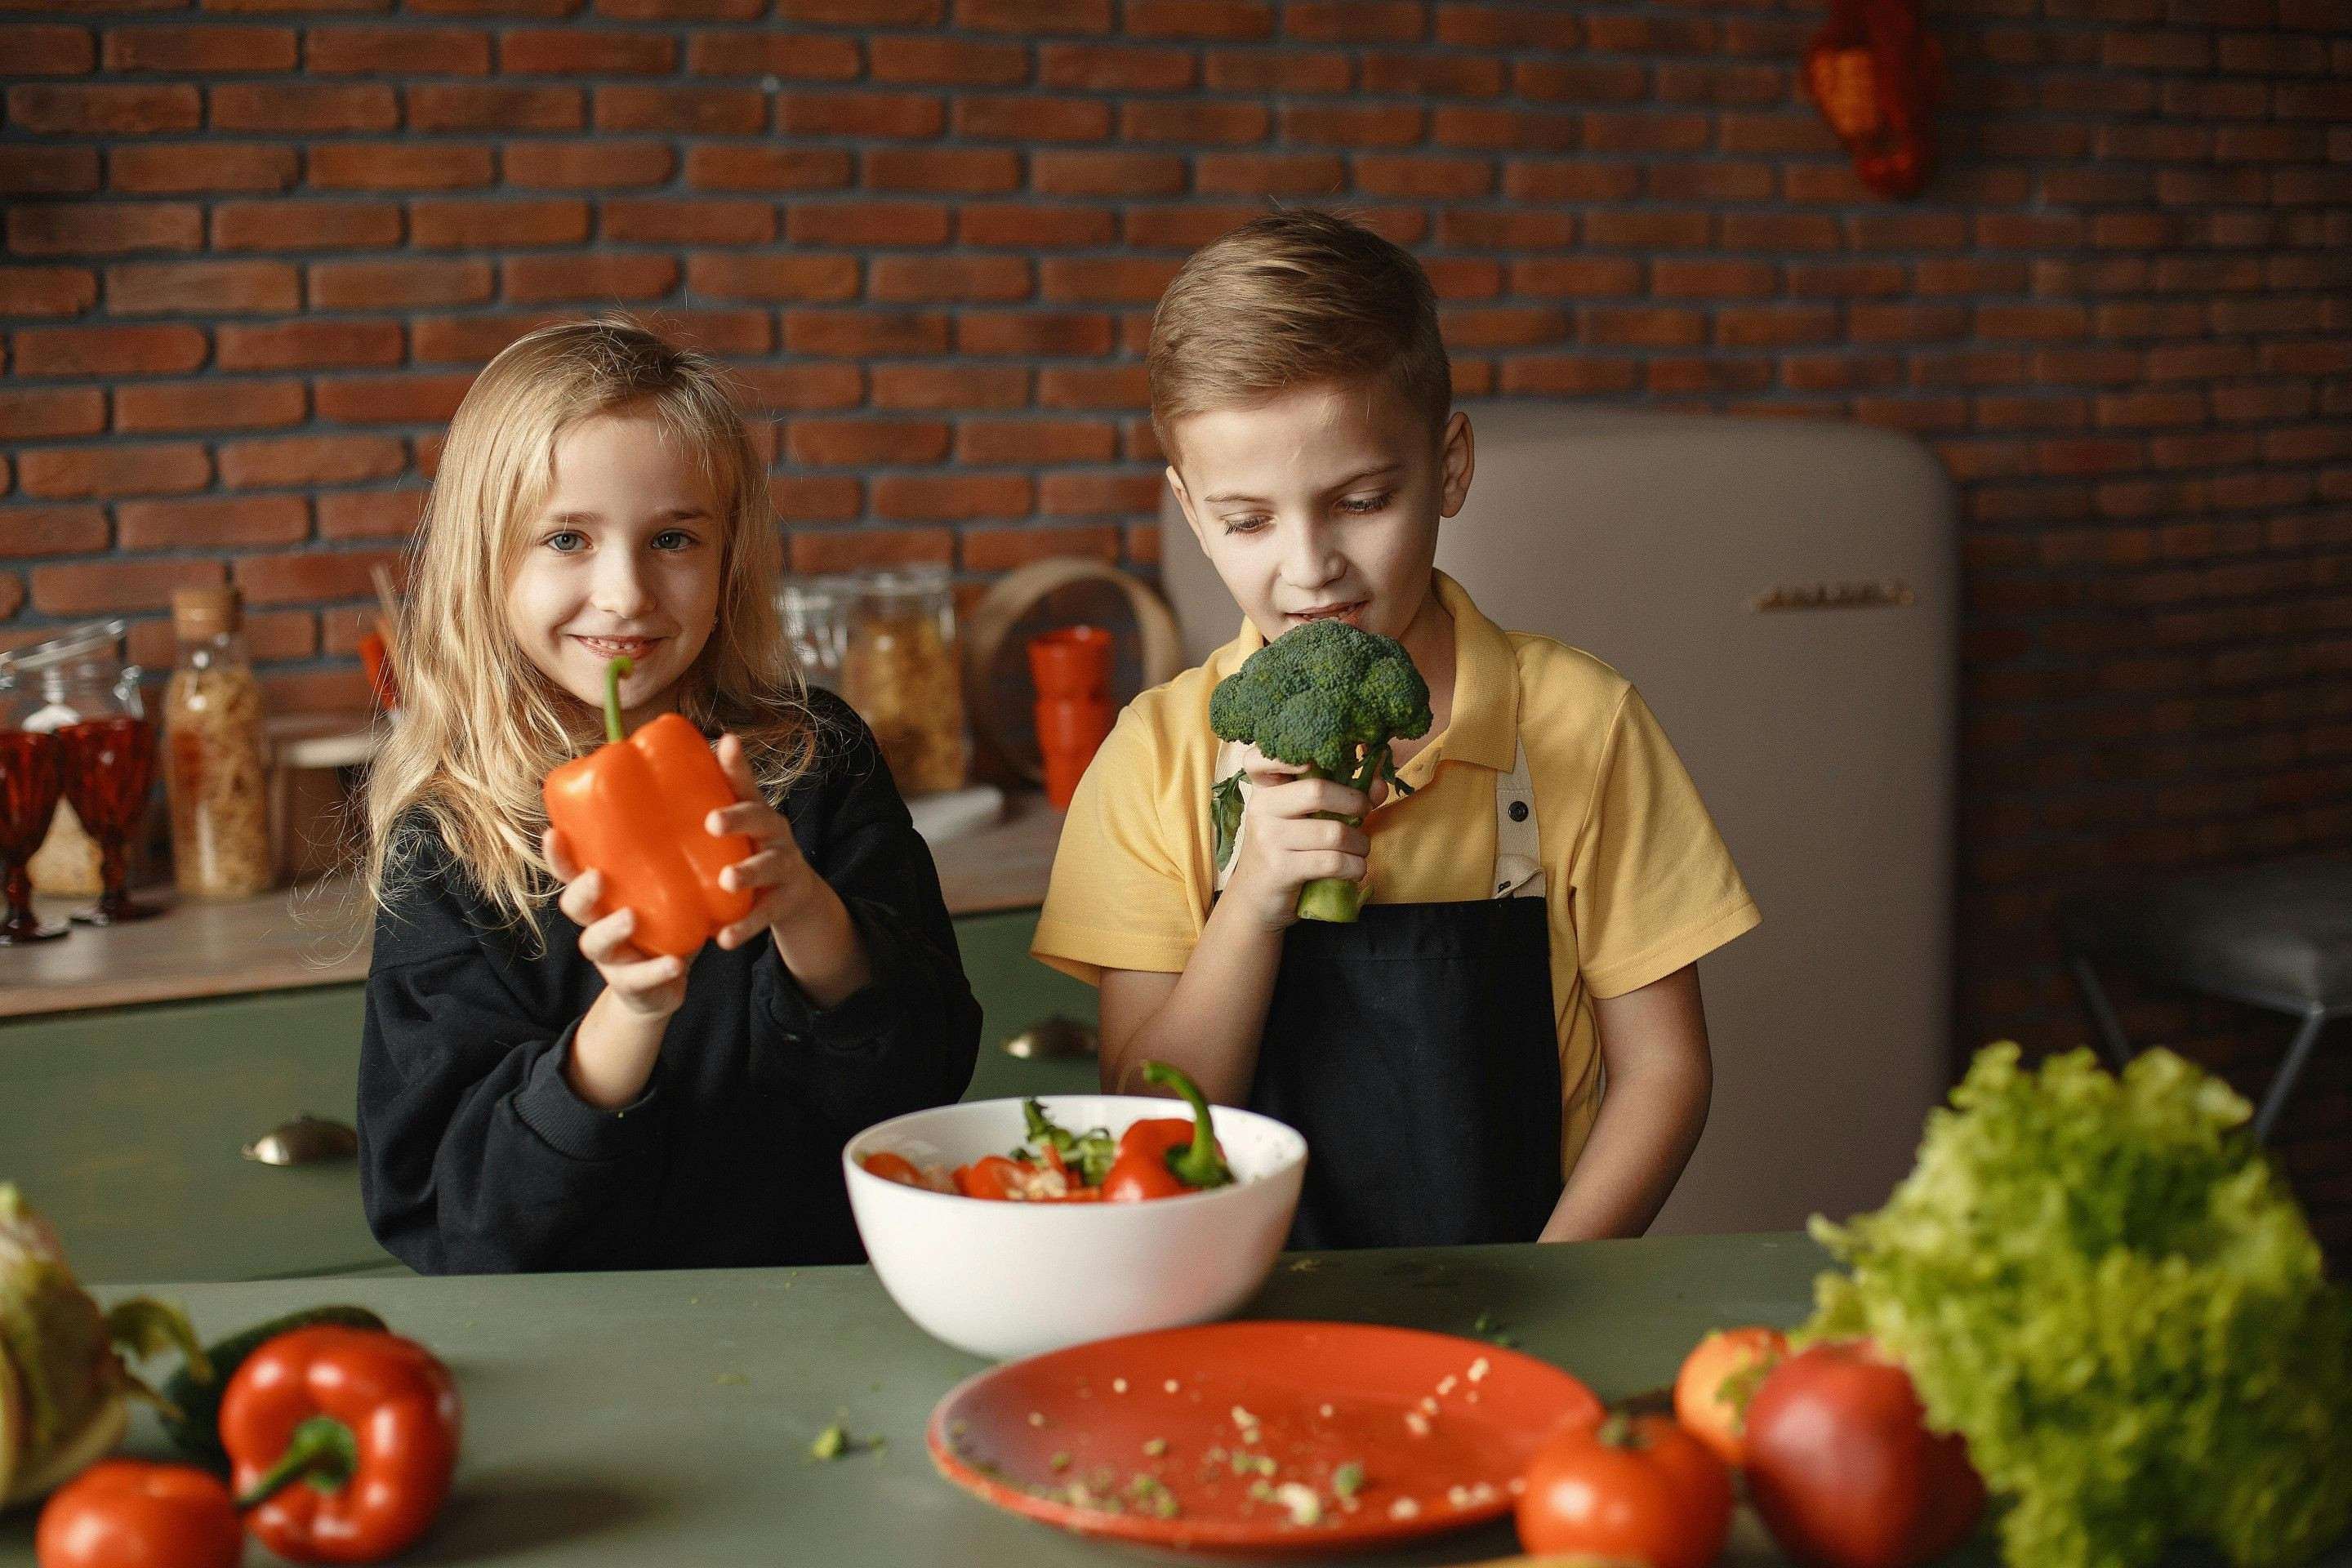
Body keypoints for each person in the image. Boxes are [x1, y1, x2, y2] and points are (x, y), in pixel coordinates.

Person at [1032, 212, 1761, 1249]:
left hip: (1527, 1305)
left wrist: (1553, 1293)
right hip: (1242, 1325)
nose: (1310, 564)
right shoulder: (1156, 758)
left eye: (1362, 500)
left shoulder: (1579, 725)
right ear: (1190, 513)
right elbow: (1151, 1117)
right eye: (1247, 521)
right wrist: (1252, 902)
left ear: (1449, 466)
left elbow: (1665, 1071)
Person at [358, 318, 978, 1273]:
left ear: (730, 559)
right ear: (487, 561)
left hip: (830, 1302)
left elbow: (928, 1077)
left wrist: (808, 910)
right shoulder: (450, 839)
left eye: (673, 538)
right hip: (583, 1348)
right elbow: (457, 1222)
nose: (627, 593)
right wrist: (631, 1012)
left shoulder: (816, 756)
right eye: (567, 537)